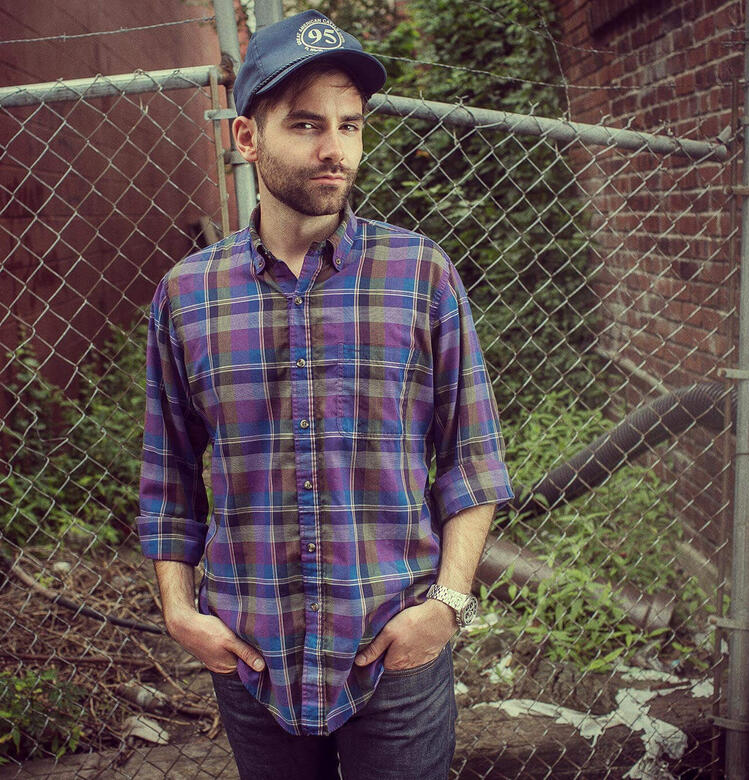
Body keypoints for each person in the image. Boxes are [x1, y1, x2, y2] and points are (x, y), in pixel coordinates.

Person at [137, 10, 513, 779]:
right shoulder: (188, 296)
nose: (334, 149)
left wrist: (446, 606)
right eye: (306, 124)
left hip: (394, 657)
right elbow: (167, 477)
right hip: (253, 659)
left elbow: (473, 461)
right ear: (248, 137)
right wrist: (181, 614)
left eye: (349, 125)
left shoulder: (421, 275)